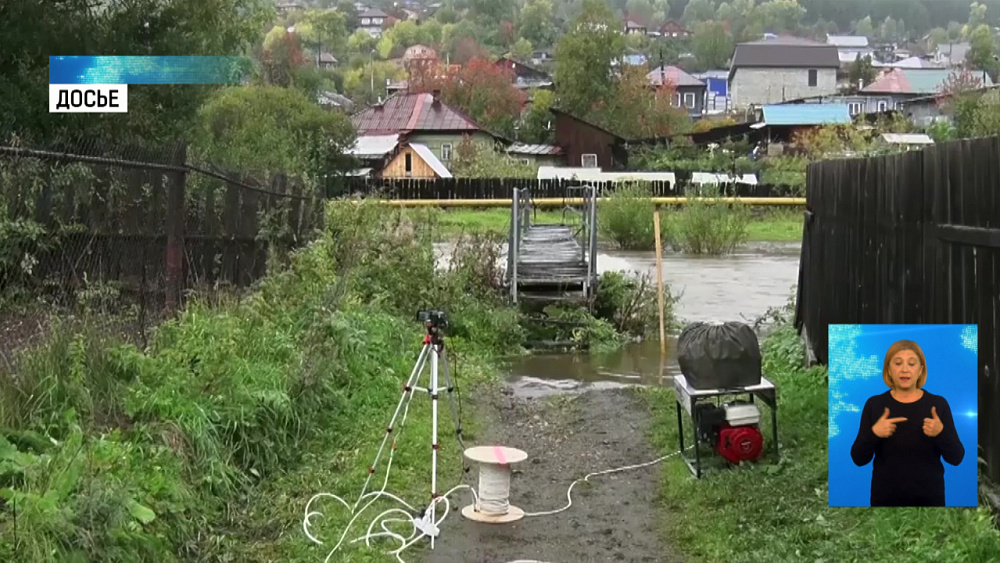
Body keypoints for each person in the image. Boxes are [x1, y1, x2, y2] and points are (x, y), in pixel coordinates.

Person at [850, 339, 965, 507]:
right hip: (885, 501)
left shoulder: (938, 404)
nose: (905, 369)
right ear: (888, 370)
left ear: (920, 370)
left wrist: (941, 433)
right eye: (898, 363)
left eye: (911, 364)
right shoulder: (874, 405)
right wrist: (874, 433)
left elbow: (957, 457)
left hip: (930, 502)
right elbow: (858, 458)